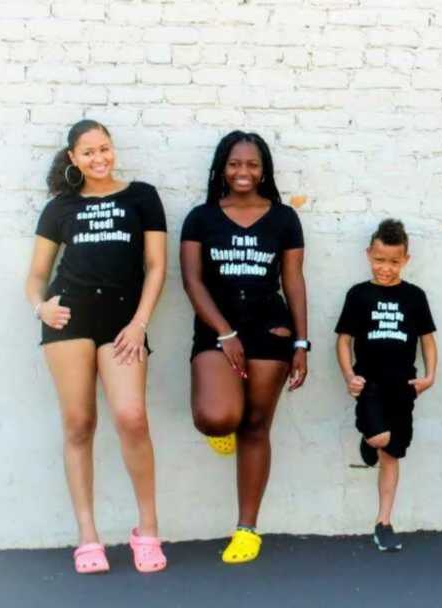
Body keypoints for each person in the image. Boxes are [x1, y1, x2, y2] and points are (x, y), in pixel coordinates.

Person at [25, 119, 168, 574]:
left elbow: (155, 266)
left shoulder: (141, 197)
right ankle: (88, 538)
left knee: (132, 418)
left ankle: (147, 531)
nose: (99, 158)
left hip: (123, 322)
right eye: (88, 152)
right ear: (73, 158)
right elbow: (35, 276)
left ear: (114, 148)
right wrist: (39, 307)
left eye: (104, 148)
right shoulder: (60, 208)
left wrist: (139, 323)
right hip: (68, 321)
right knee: (79, 423)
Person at [180, 131, 308, 564]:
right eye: (235, 163)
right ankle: (222, 429)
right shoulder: (201, 217)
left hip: (269, 329)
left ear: (264, 170)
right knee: (218, 417)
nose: (243, 172)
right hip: (218, 330)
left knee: (255, 426)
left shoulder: (285, 219)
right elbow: (193, 281)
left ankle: (247, 529)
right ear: (222, 166)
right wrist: (224, 332)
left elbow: (293, 280)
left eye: (252, 164)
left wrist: (301, 342)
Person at [335, 219, 438, 552]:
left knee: (392, 454)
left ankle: (383, 523)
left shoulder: (414, 296)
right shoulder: (359, 295)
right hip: (371, 384)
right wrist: (350, 375)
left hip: (403, 386)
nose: (386, 268)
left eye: (394, 261)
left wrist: (430, 376)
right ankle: (370, 438)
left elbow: (428, 341)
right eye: (380, 260)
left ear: (406, 260)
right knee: (380, 438)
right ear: (369, 255)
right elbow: (343, 340)